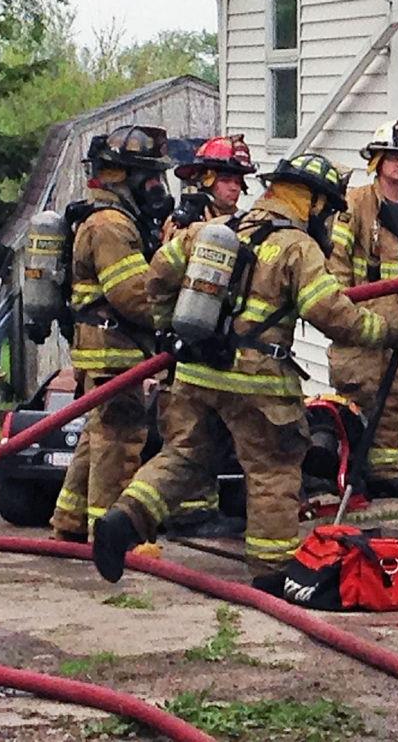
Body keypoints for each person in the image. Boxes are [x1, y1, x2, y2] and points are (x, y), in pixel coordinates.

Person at [92, 153, 398, 580]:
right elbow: (333, 315)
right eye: (327, 209)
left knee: (185, 455)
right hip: (257, 380)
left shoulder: (217, 230)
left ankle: (124, 519)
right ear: (312, 202)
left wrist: (166, 327)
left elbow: (158, 272)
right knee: (274, 469)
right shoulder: (296, 247)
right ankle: (272, 572)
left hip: (195, 371)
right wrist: (393, 331)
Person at [50, 126, 175, 541]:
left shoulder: (112, 219)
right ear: (122, 176)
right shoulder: (110, 225)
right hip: (112, 348)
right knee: (120, 442)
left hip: (103, 346)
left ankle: (69, 522)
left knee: (97, 435)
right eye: (150, 176)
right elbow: (134, 295)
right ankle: (108, 536)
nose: (157, 187)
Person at [326, 118, 398, 498]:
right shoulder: (355, 203)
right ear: (377, 161)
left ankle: (384, 475)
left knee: (395, 397)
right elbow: (337, 256)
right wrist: (343, 308)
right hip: (363, 318)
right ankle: (348, 473)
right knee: (361, 395)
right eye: (393, 156)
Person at [159, 135, 256, 533]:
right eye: (228, 178)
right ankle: (188, 511)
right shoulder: (187, 223)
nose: (235, 186)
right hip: (192, 339)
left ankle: (209, 507)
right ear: (208, 178)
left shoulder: (240, 222)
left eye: (239, 179)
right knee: (189, 430)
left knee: (218, 428)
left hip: (225, 340)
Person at [164, 134, 254, 241]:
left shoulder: (245, 223)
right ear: (206, 182)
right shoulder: (183, 223)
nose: (234, 188)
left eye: (238, 182)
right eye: (225, 180)